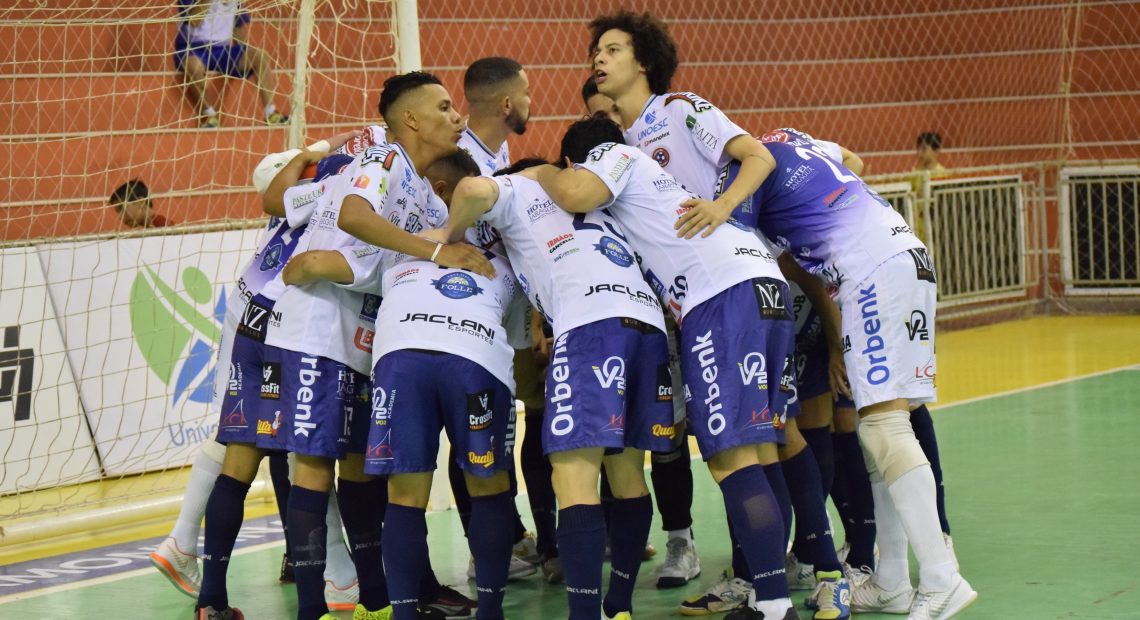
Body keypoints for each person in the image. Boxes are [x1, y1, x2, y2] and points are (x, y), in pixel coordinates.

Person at [586, 12, 851, 619]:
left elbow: (756, 156)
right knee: (767, 440)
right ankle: (776, 580)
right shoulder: (625, 148)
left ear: (644, 62)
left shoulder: (678, 109)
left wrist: (721, 206)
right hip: (726, 294)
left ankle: (804, 584)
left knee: (746, 447)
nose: (599, 58)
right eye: (596, 50)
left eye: (613, 49)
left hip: (728, 288)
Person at [683, 121, 980, 619]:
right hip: (902, 255)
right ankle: (891, 581)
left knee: (885, 426)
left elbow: (733, 248)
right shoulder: (789, 138)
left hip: (869, 271)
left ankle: (940, 576)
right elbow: (852, 162)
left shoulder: (737, 171)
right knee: (879, 429)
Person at [536, 114, 819, 620]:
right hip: (761, 287)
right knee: (758, 450)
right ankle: (770, 597)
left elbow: (575, 193)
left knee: (731, 459)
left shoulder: (614, 155)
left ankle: (776, 607)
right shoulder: (650, 190)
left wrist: (544, 172)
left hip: (721, 296)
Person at [446, 158, 674, 620]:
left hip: (589, 325)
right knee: (628, 476)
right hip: (647, 324)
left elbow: (470, 190)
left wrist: (446, 237)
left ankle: (584, 614)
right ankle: (618, 606)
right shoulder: (595, 199)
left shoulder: (514, 189)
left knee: (572, 481)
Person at [190, 136, 362, 620]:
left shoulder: (302, 192)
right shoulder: (356, 193)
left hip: (250, 318)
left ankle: (211, 599)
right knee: (309, 467)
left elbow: (273, 198)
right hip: (294, 327)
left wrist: (305, 157)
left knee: (237, 463)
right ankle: (315, 604)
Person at [579, 74, 702, 591]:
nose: (607, 122)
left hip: (673, 313)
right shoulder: (586, 173)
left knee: (670, 436)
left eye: (612, 112)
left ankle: (682, 540)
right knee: (616, 436)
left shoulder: (660, 160)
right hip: (612, 322)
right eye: (597, 115)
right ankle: (618, 536)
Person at [450, 56, 550, 582]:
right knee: (476, 430)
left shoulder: (500, 153)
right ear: (507, 103)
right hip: (472, 315)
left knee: (527, 416)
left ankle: (520, 535)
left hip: (512, 311)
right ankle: (483, 549)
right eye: (527, 93)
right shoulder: (458, 160)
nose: (533, 102)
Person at [174, 0, 288, 128]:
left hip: (223, 50)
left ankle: (271, 112)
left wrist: (245, 52)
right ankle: (208, 115)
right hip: (193, 48)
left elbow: (236, 27)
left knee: (260, 55)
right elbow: (195, 22)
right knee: (194, 66)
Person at [108, 180, 174, 228]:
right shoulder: (152, 226)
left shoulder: (161, 224)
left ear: (141, 202)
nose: (120, 217)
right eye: (118, 212)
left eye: (122, 209)